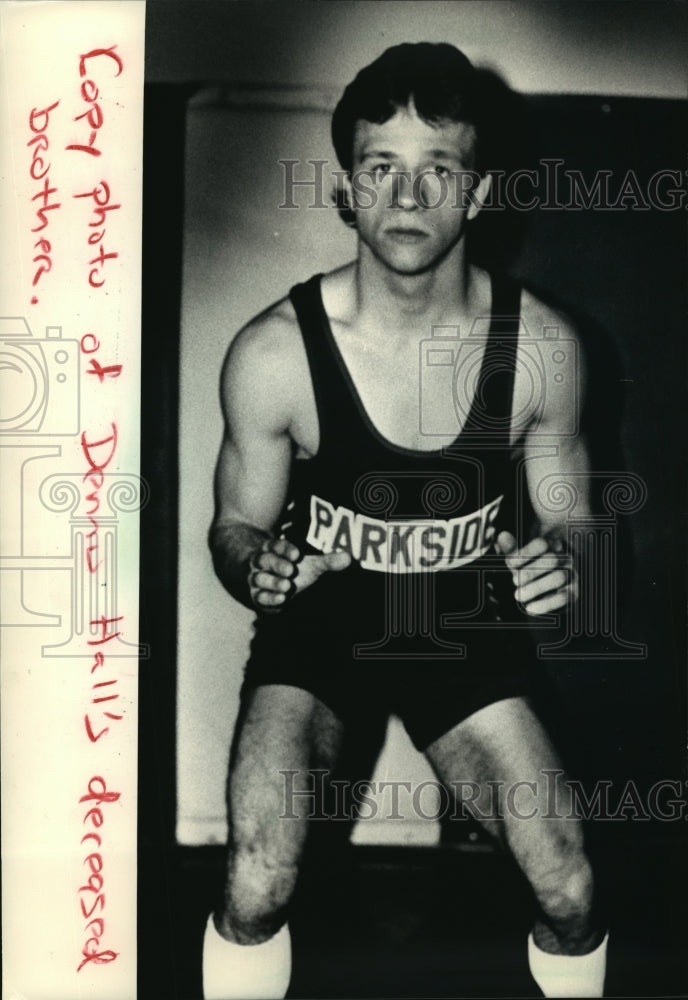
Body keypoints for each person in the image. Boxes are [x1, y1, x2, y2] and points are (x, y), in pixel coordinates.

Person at [202, 42, 609, 999]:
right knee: (258, 880)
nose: (409, 198)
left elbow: (574, 523)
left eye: (441, 171)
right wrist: (255, 561)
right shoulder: (275, 354)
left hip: (465, 636)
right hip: (321, 636)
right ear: (348, 187)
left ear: (479, 193)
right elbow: (231, 528)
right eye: (382, 168)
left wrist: (563, 561)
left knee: (570, 884)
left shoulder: (544, 349)